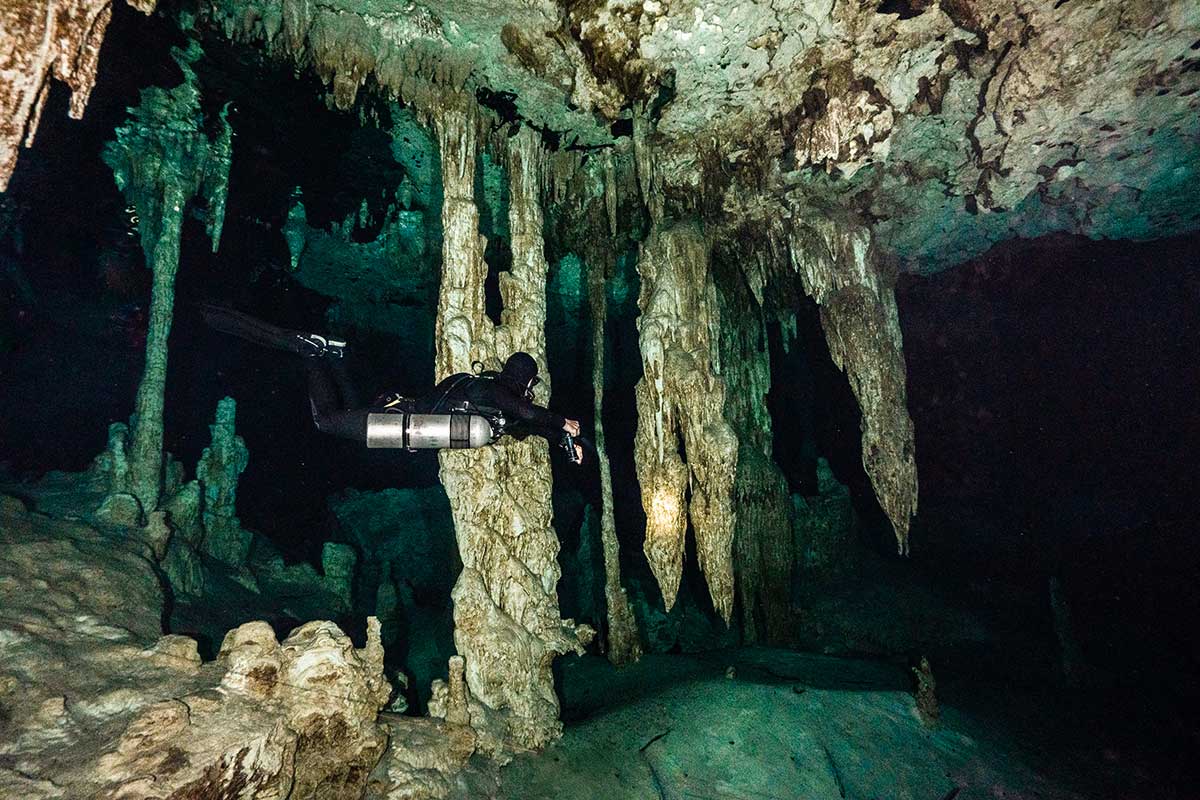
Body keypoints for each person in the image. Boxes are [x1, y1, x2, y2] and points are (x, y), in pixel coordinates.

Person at [199, 303, 584, 462]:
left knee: (348, 412)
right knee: (326, 421)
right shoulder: (486, 390)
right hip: (400, 421)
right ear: (524, 381)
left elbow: (526, 424)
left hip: (400, 423)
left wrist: (565, 442)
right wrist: (560, 421)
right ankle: (310, 351)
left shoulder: (493, 409)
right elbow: (525, 412)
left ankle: (335, 357)